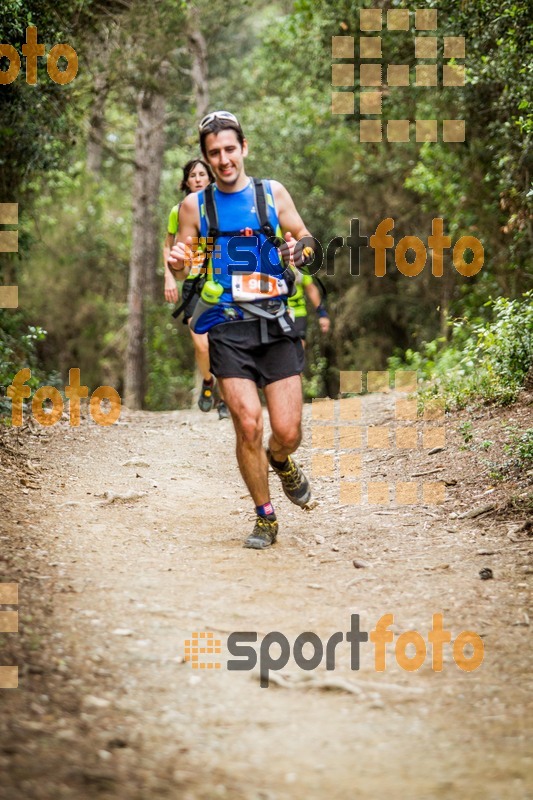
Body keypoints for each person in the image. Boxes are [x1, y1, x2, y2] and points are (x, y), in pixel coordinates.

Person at [168, 110, 314, 550]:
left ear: (244, 148)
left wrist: (299, 252)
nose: (224, 159)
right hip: (227, 328)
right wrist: (177, 264)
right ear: (206, 159)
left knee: (287, 431)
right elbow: (185, 258)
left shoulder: (272, 194)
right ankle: (264, 516)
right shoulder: (196, 206)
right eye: (214, 153)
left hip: (275, 321)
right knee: (247, 424)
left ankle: (281, 459)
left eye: (230, 149)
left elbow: (306, 240)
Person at [163, 158, 229, 419]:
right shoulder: (178, 210)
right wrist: (169, 277)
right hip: (194, 282)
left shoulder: (222, 207)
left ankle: (225, 399)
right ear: (186, 181)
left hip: (222, 282)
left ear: (211, 178)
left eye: (203, 174)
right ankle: (208, 381)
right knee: (201, 345)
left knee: (222, 342)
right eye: (193, 175)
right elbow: (167, 246)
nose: (198, 179)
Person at [288, 271, 330, 345]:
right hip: (275, 314)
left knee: (298, 349)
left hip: (298, 313)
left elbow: (311, 289)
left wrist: (322, 314)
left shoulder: (298, 264)